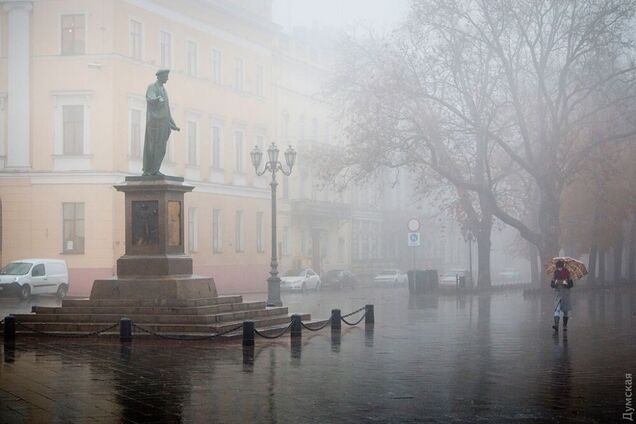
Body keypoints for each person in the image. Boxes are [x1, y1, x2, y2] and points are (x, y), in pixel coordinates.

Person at [142, 69, 180, 176]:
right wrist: (157, 99)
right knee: (153, 146)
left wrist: (173, 125)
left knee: (161, 148)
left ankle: (155, 169)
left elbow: (167, 111)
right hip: (154, 124)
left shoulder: (164, 90)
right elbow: (150, 98)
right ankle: (150, 170)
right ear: (160, 76)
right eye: (166, 76)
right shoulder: (152, 87)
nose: (167, 78)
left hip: (163, 125)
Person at [551, 260, 574, 332]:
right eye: (558, 267)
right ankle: (556, 325)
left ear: (562, 267)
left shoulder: (567, 273)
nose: (559, 269)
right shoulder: (555, 273)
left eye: (560, 267)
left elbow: (571, 285)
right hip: (558, 294)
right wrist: (555, 283)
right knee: (556, 309)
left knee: (565, 311)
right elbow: (552, 285)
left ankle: (564, 326)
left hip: (565, 294)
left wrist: (566, 283)